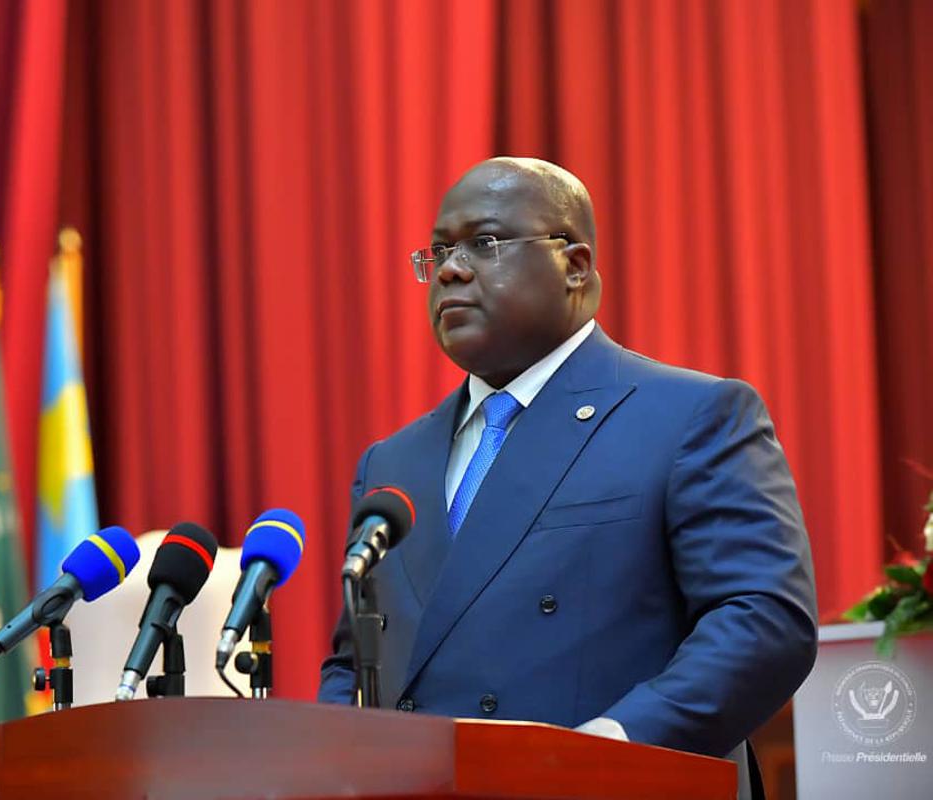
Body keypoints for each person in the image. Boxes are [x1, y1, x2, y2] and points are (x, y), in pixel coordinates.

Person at [318, 157, 818, 800]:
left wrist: (612, 746)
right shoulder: (391, 463)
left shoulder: (689, 415)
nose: (449, 269)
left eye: (484, 243)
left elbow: (762, 620)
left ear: (575, 265)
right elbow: (355, 659)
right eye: (439, 251)